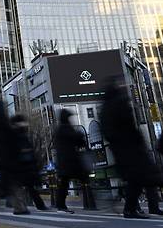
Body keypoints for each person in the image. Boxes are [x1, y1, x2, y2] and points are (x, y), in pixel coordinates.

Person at [100, 77, 163, 219]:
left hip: (121, 148)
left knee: (139, 177)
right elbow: (129, 125)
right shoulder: (120, 102)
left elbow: (107, 131)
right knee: (145, 175)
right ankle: (137, 208)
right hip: (131, 147)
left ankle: (133, 208)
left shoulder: (105, 107)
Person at [53, 109, 89, 214]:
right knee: (81, 178)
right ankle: (91, 201)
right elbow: (77, 140)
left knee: (64, 183)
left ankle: (61, 205)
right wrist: (80, 136)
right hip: (70, 161)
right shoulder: (65, 128)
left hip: (65, 161)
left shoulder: (60, 129)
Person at [11, 115, 48, 211]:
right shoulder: (17, 135)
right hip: (23, 165)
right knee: (25, 186)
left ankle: (37, 205)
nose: (25, 124)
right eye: (23, 122)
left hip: (24, 165)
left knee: (28, 186)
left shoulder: (20, 134)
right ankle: (36, 205)